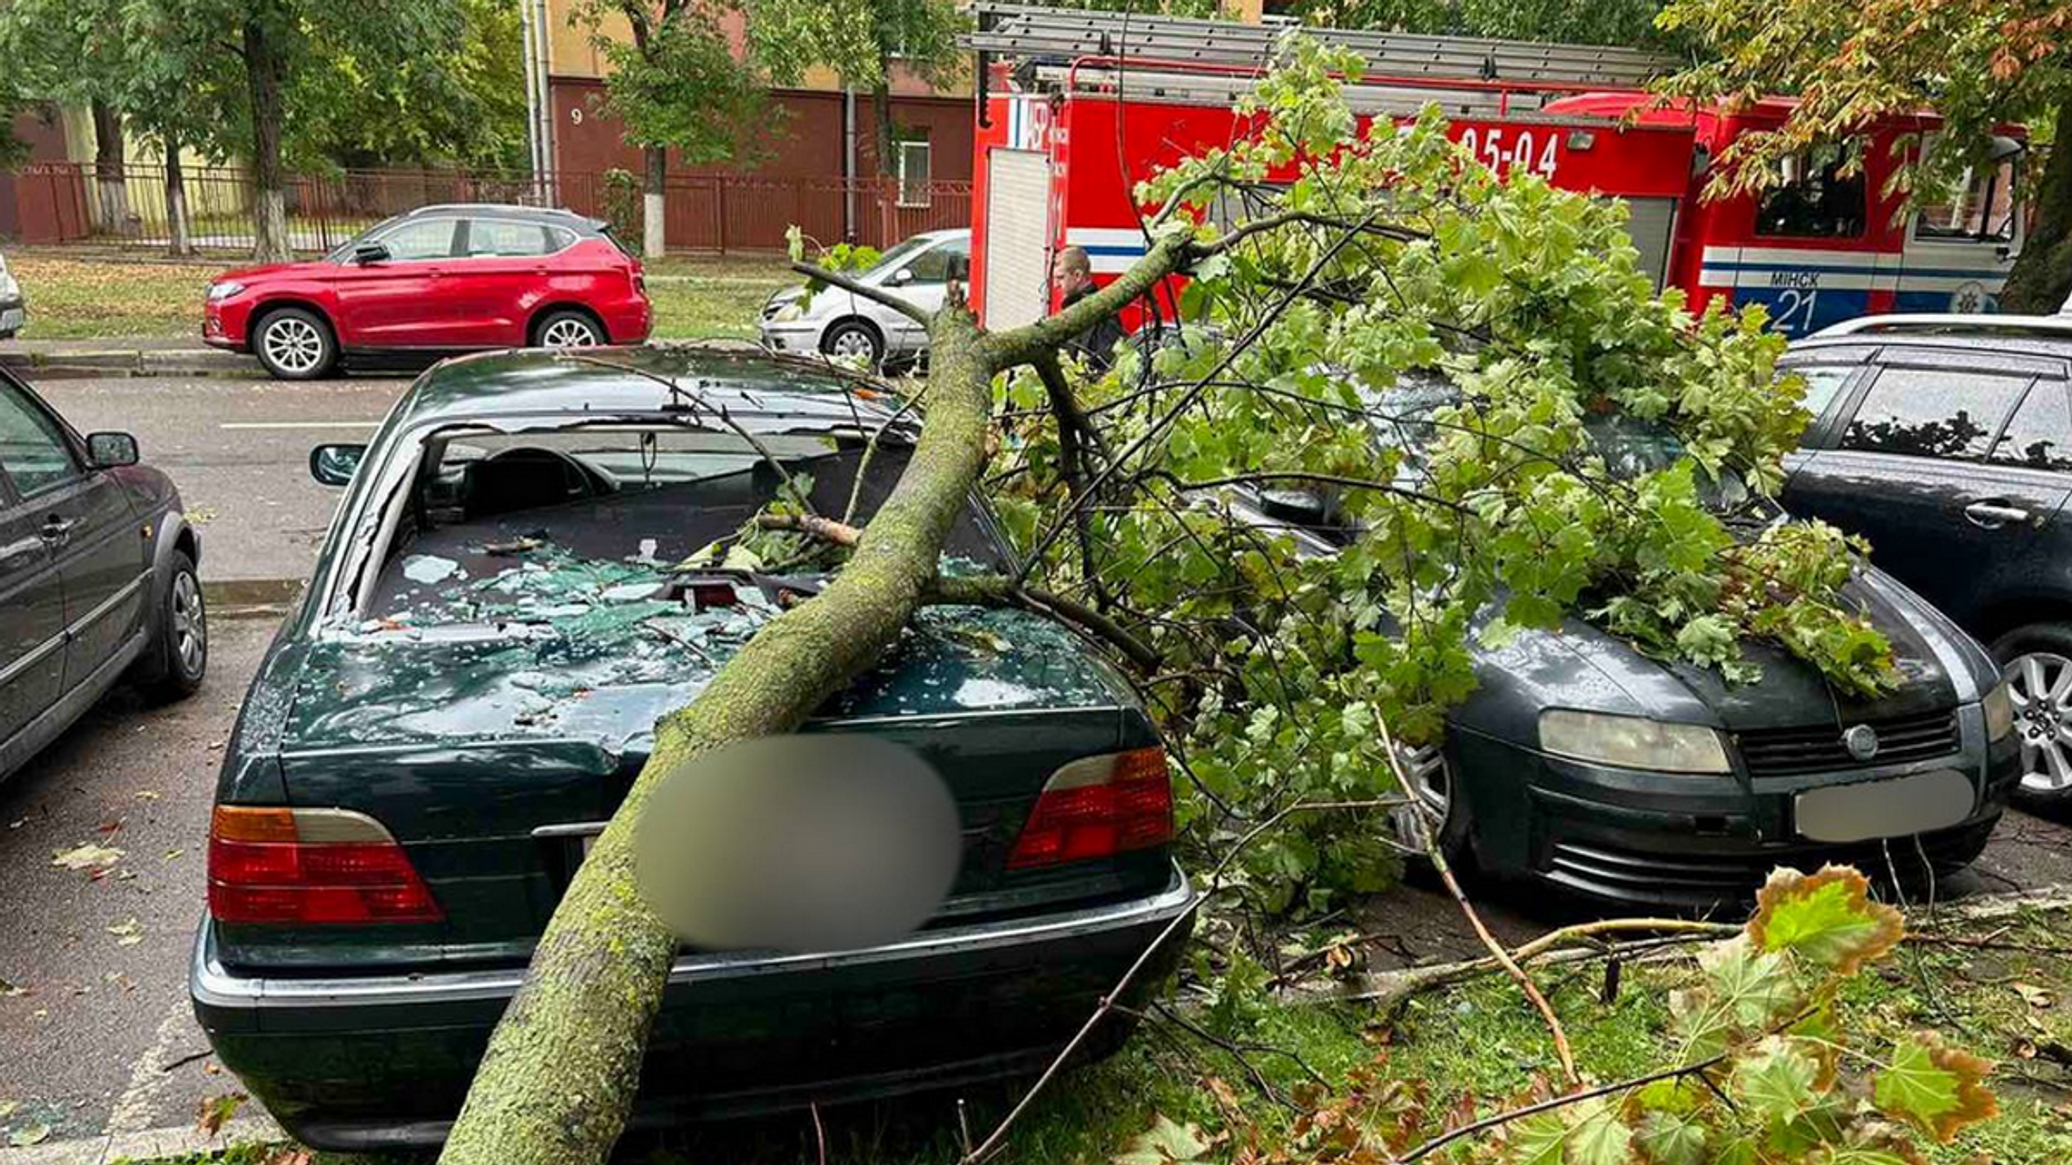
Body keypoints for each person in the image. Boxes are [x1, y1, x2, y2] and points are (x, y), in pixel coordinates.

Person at [1052, 246, 1127, 370]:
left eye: (1060, 278)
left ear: (1077, 275)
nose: (1056, 286)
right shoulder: (1073, 309)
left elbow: (1108, 363)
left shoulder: (1103, 314)